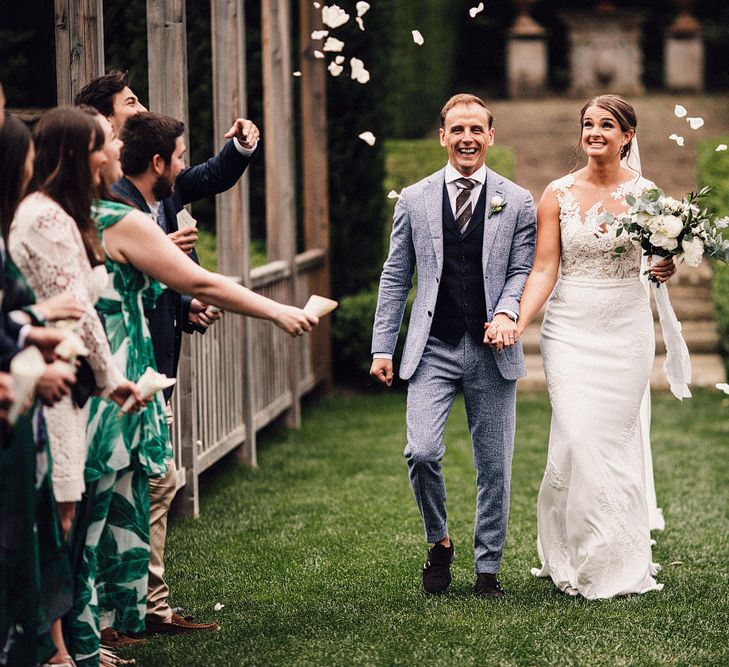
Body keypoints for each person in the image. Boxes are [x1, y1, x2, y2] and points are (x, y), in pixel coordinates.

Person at [65, 109, 316, 665]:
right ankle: (77, 643)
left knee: (90, 510)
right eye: (108, 142)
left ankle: (85, 636)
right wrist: (278, 310)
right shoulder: (113, 218)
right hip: (110, 377)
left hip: (102, 370)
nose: (116, 150)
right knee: (90, 512)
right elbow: (199, 282)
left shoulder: (69, 214)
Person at [76, 71, 259, 638]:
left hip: (154, 353)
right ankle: (121, 612)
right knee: (138, 485)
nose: (141, 107)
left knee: (152, 481)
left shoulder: (152, 184)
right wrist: (175, 277)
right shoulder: (107, 202)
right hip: (120, 367)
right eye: (130, 103)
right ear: (105, 122)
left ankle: (141, 607)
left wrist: (239, 149)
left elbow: (202, 176)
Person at [507, 94, 675, 599]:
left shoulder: (649, 196)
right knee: (578, 438)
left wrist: (667, 266)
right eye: (588, 123)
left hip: (626, 326)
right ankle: (574, 552)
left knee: (615, 440)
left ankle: (618, 560)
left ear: (627, 136)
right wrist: (516, 318)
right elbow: (543, 267)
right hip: (570, 329)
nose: (595, 131)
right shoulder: (556, 193)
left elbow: (661, 258)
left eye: (606, 124)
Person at [370, 94, 536, 597]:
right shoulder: (415, 199)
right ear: (443, 136)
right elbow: (397, 274)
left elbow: (521, 269)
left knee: (495, 466)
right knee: (421, 451)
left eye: (476, 129)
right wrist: (383, 347)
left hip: (492, 350)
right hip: (432, 348)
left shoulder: (518, 200)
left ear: (491, 135)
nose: (467, 138)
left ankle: (488, 569)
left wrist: (507, 311)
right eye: (457, 129)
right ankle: (439, 542)